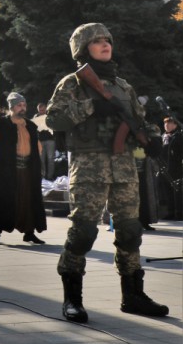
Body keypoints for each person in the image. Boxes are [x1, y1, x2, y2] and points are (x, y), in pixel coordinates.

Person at [46, 23, 167, 323]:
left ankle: (133, 296)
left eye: (107, 40)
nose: (104, 44)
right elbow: (55, 119)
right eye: (96, 41)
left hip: (124, 166)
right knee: (83, 232)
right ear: (83, 48)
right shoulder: (72, 83)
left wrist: (152, 140)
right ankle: (72, 299)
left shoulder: (123, 86)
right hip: (89, 167)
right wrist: (90, 107)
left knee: (130, 231)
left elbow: (138, 121)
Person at [0, 92, 46, 245]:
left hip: (27, 170)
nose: (22, 108)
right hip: (7, 170)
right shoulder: (0, 124)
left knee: (28, 201)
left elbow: (38, 149)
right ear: (12, 107)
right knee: (3, 200)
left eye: (24, 105)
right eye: (19, 105)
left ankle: (29, 232)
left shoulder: (30, 125)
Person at [159, 116, 183, 220]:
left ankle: (179, 213)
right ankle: (170, 212)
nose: (166, 125)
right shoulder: (163, 136)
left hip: (176, 167)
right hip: (164, 168)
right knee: (167, 191)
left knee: (177, 191)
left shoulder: (179, 136)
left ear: (175, 125)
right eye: (165, 123)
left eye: (169, 123)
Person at [33, 103, 57, 181]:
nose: (41, 111)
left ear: (46, 109)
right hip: (40, 141)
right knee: (41, 160)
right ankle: (42, 177)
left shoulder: (50, 116)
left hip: (50, 140)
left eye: (43, 110)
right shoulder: (36, 117)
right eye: (40, 110)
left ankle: (50, 177)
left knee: (50, 159)